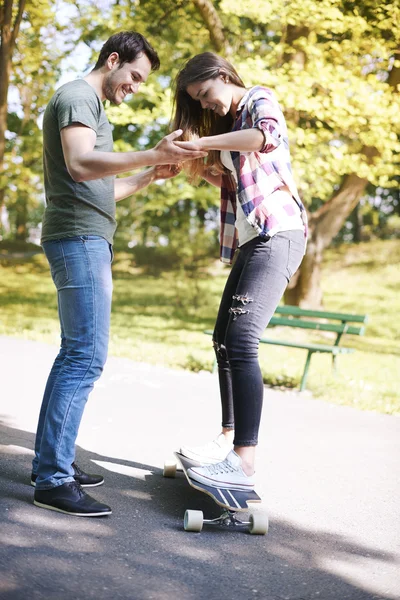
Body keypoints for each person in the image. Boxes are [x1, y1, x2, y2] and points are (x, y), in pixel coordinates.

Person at [32, 31, 207, 517]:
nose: (134, 86)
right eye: (133, 75)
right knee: (84, 356)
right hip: (77, 239)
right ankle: (52, 478)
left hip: (88, 235)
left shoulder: (92, 105)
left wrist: (150, 175)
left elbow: (99, 190)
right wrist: (152, 153)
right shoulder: (76, 97)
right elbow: (82, 163)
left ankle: (54, 460)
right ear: (112, 60)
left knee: (78, 353)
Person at [172, 52, 308, 491]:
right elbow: (235, 184)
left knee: (242, 340)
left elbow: (267, 137)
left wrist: (203, 145)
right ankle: (228, 440)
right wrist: (191, 166)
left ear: (223, 75)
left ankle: (244, 459)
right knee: (222, 340)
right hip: (253, 239)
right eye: (197, 100)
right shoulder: (230, 129)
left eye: (205, 94)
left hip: (280, 232)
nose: (206, 104)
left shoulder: (257, 100)